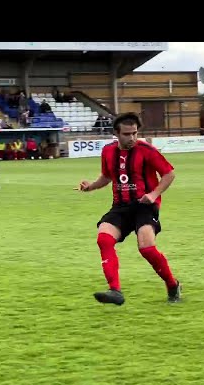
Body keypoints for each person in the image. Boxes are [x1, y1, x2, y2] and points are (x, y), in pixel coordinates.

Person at [77, 112, 181, 305]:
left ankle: (172, 285)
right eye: (127, 134)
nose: (132, 137)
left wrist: (153, 194)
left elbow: (169, 174)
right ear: (116, 133)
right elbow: (107, 177)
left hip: (144, 206)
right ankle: (115, 291)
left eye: (134, 133)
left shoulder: (146, 150)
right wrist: (90, 186)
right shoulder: (108, 151)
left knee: (147, 249)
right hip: (121, 206)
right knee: (104, 239)